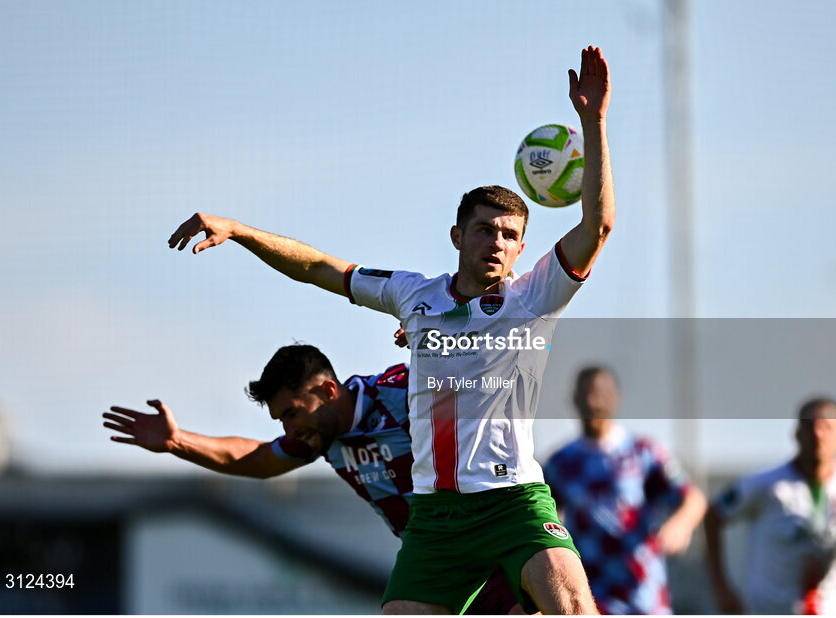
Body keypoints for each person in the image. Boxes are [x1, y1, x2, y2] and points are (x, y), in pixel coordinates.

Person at [165, 45, 615, 615]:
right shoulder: (414, 294)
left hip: (513, 502)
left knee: (572, 608)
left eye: (508, 235)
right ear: (458, 237)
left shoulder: (533, 297)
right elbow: (318, 268)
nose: (495, 243)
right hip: (435, 518)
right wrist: (239, 230)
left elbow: (596, 225)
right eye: (483, 231)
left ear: (522, 247)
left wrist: (593, 122)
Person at [102, 343, 522, 614]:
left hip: (492, 546)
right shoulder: (321, 434)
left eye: (290, 413)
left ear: (328, 392)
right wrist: (179, 442)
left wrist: (437, 343)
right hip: (438, 563)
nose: (287, 429)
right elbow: (259, 459)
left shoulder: (403, 393)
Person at [704, 397, 836, 615]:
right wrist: (720, 587)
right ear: (796, 434)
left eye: (827, 428)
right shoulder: (766, 485)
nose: (818, 435)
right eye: (810, 427)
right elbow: (712, 515)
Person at [544, 366, 707, 615]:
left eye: (599, 393)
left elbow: (693, 498)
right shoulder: (561, 463)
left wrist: (681, 524)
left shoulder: (643, 453)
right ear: (574, 399)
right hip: (592, 596)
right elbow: (542, 518)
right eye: (586, 393)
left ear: (615, 398)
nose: (592, 401)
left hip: (644, 596)